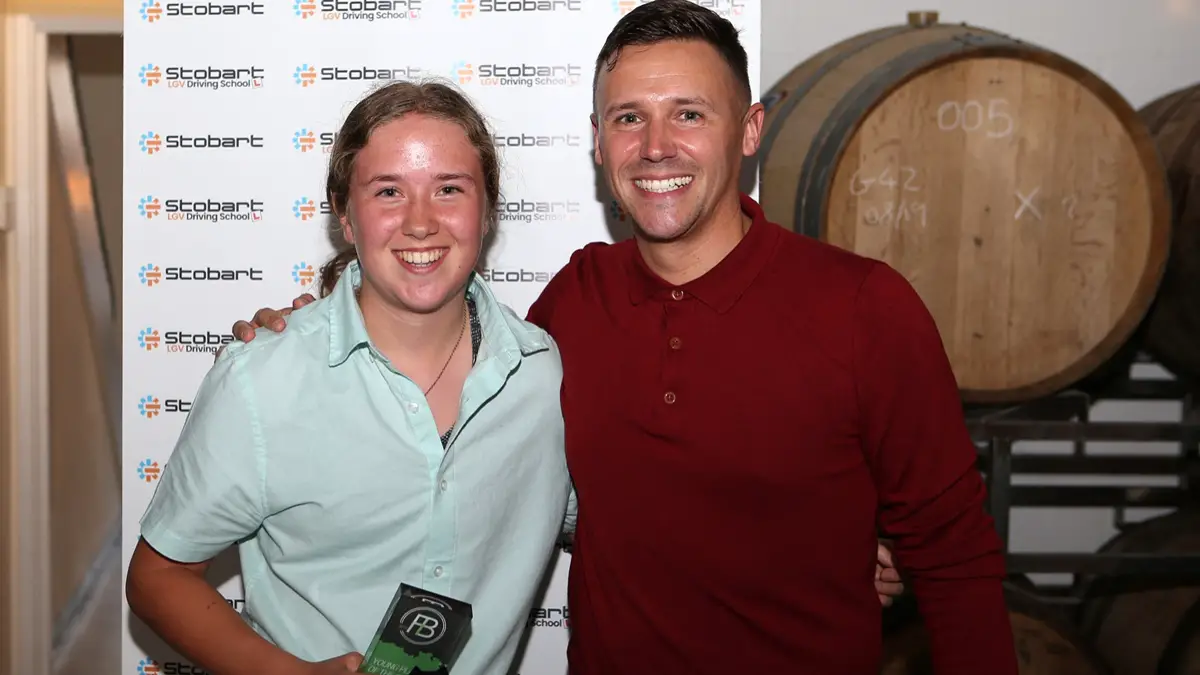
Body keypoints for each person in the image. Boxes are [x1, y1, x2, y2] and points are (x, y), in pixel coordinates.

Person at [226, 4, 1027, 675]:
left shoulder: (864, 307)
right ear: (598, 140)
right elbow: (454, 382)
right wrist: (314, 322)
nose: (655, 147)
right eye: (628, 118)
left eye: (689, 113)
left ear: (749, 130)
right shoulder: (576, 299)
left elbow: (955, 560)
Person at [125, 80, 577, 675]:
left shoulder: (545, 376)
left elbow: (611, 525)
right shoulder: (262, 379)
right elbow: (158, 577)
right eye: (389, 191)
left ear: (487, 207)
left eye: (449, 189)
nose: (421, 222)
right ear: (344, 213)